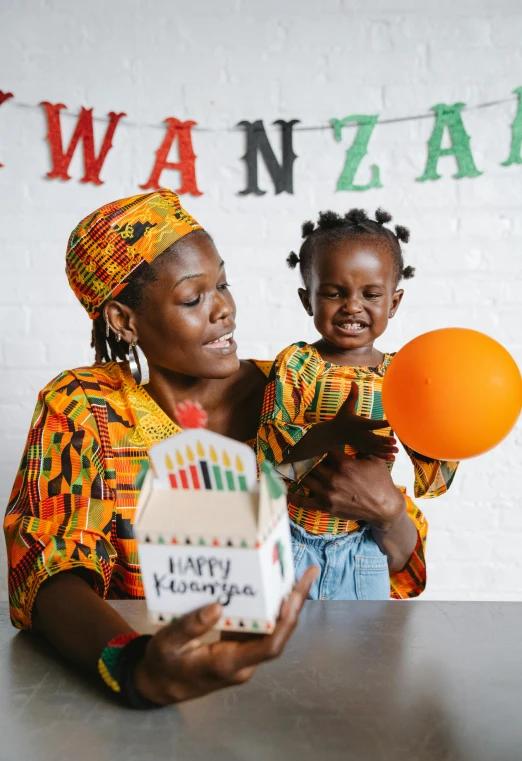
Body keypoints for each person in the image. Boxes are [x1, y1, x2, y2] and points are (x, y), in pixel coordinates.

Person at [4, 190, 429, 707]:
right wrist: (135, 664)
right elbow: (48, 570)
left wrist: (389, 515)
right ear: (123, 320)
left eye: (223, 284)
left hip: (312, 690)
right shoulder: (84, 408)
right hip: (164, 699)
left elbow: (395, 570)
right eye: (193, 298)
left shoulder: (301, 388)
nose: (224, 309)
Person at [257, 207, 459, 600]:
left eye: (371, 294)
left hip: (362, 546)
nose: (352, 306)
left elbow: (432, 455)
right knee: (281, 652)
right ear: (307, 299)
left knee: (365, 652)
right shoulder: (297, 363)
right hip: (289, 539)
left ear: (394, 302)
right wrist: (335, 430)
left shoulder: (403, 375)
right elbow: (269, 450)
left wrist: (447, 425)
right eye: (334, 293)